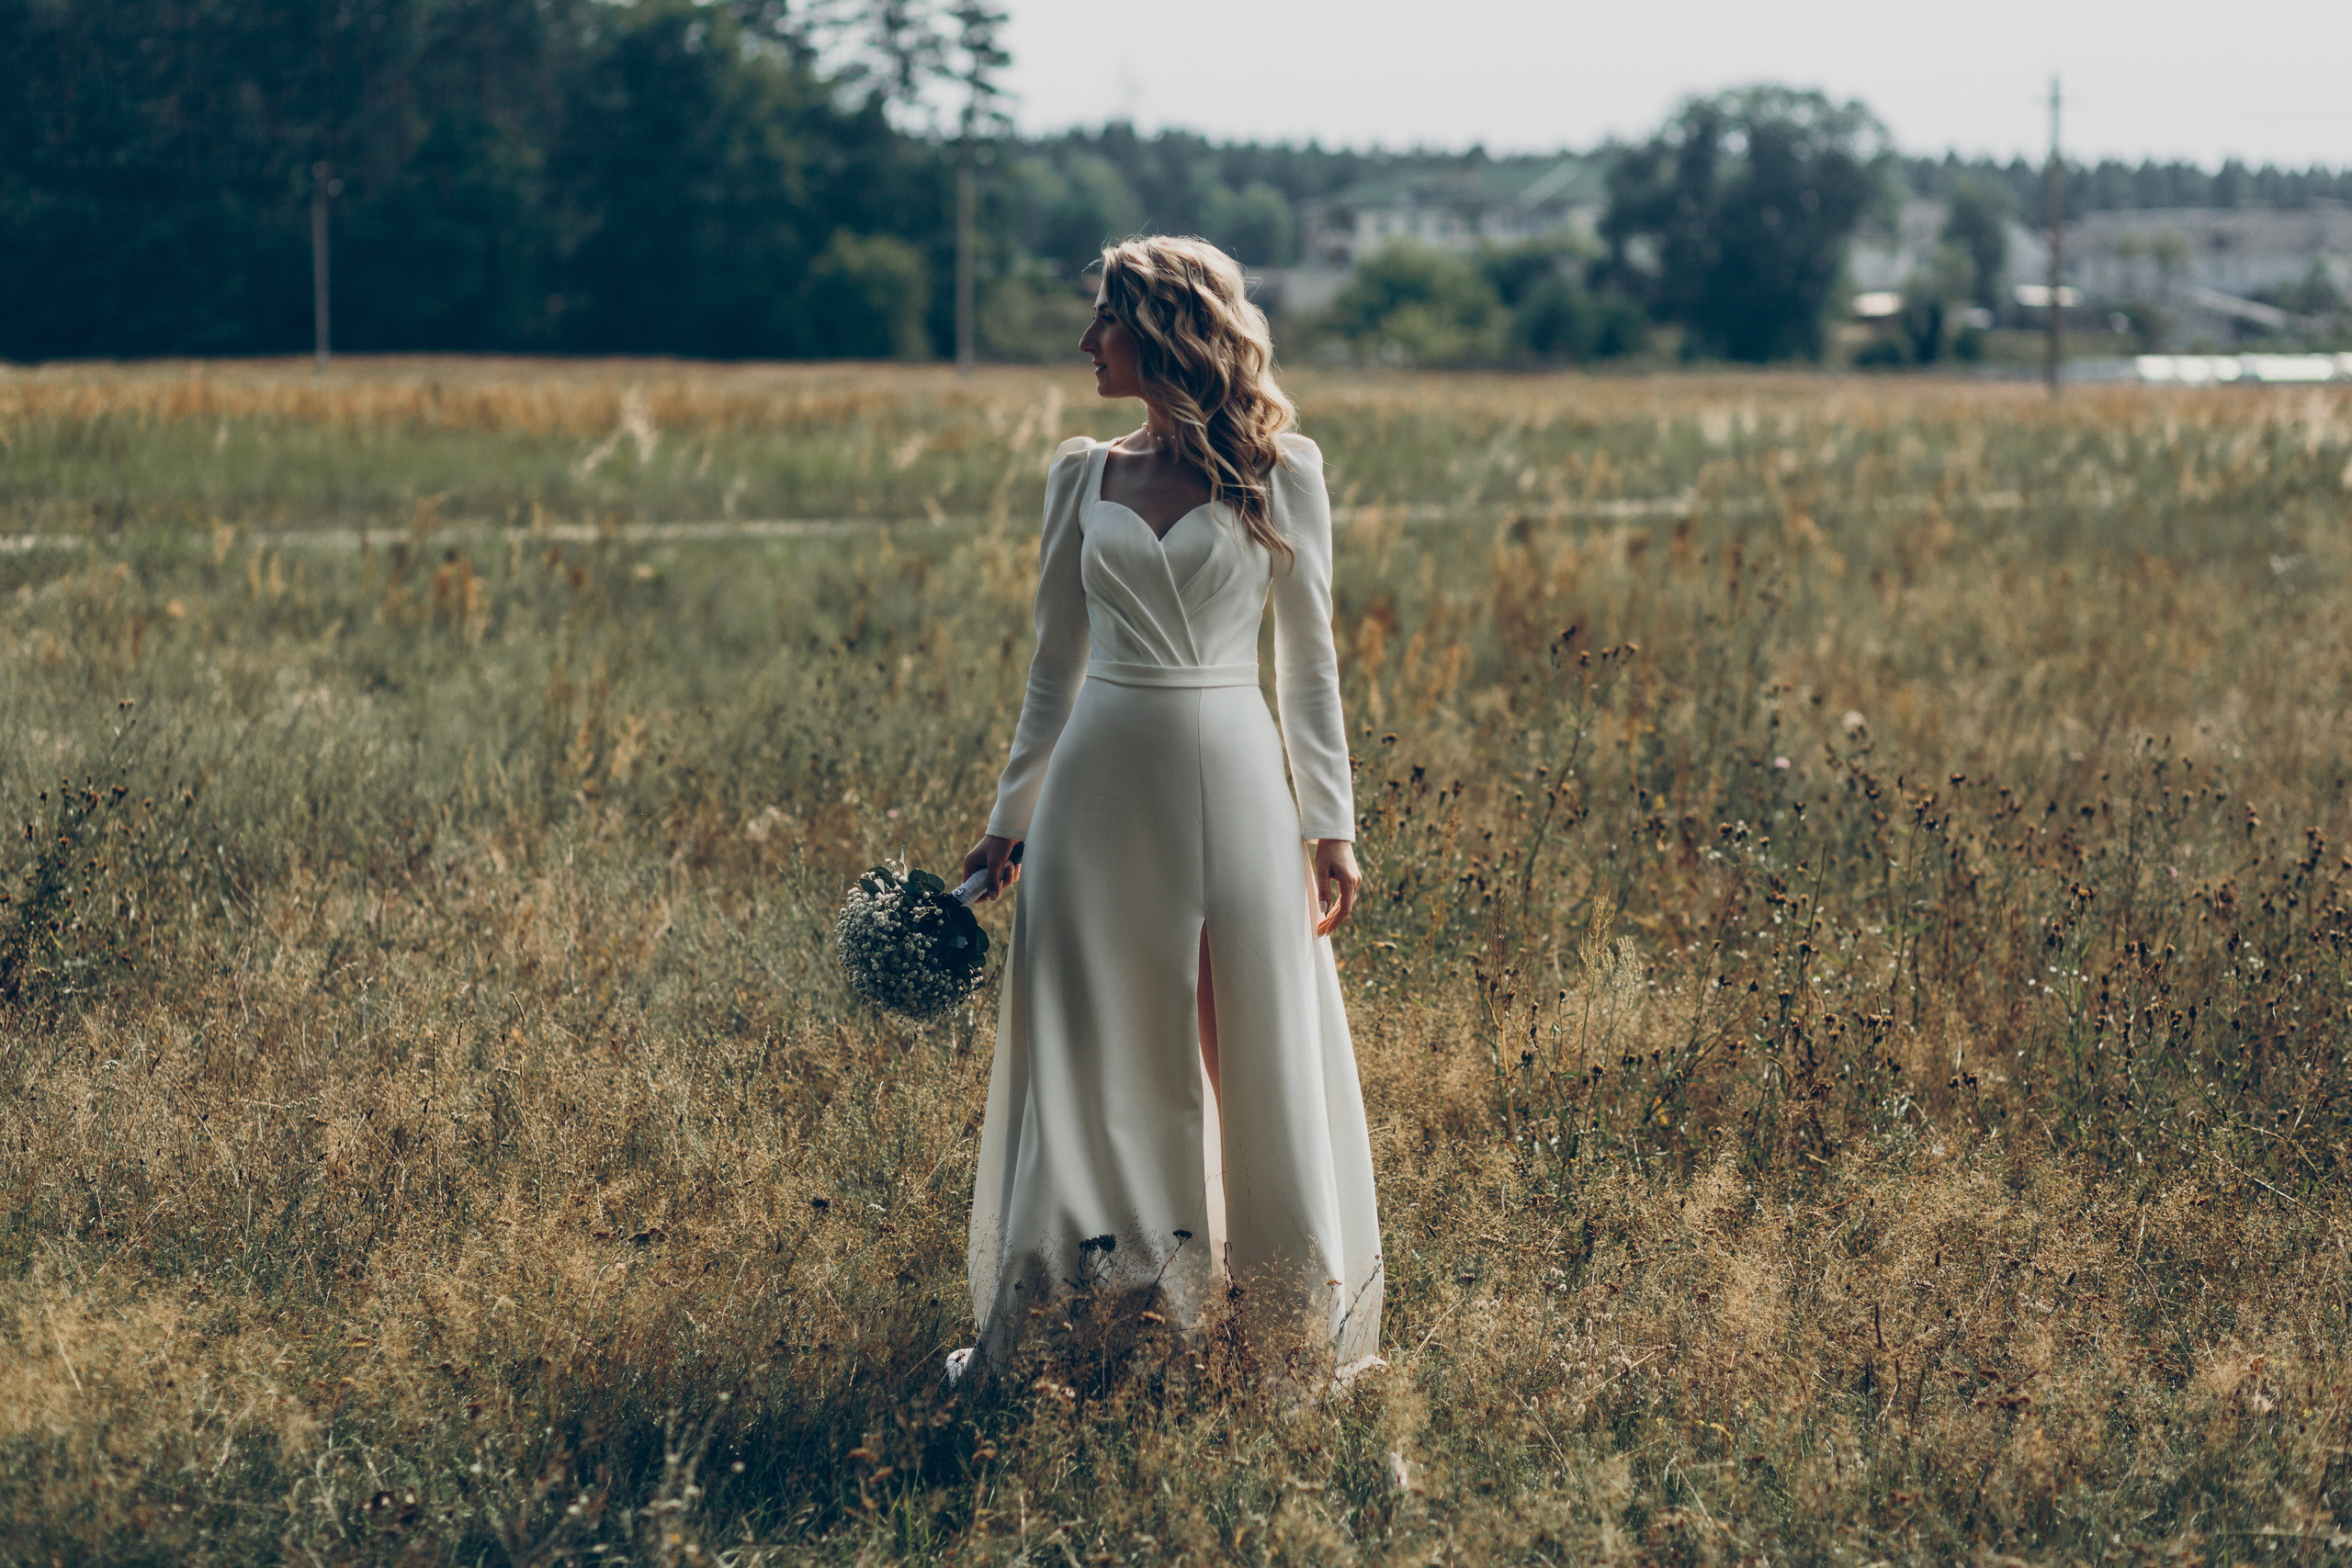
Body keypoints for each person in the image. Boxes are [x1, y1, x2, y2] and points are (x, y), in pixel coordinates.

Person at [955, 235, 1382, 1379]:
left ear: (1162, 330)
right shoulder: (1078, 475)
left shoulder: (1282, 471)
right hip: (1097, 783)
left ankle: (1282, 1318)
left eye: (1105, 318)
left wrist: (1328, 825)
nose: (1086, 341)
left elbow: (1309, 665)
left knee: (1247, 1029)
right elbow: (1052, 666)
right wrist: (1010, 818)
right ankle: (1111, 1310)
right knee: (1098, 1041)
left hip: (1240, 778)